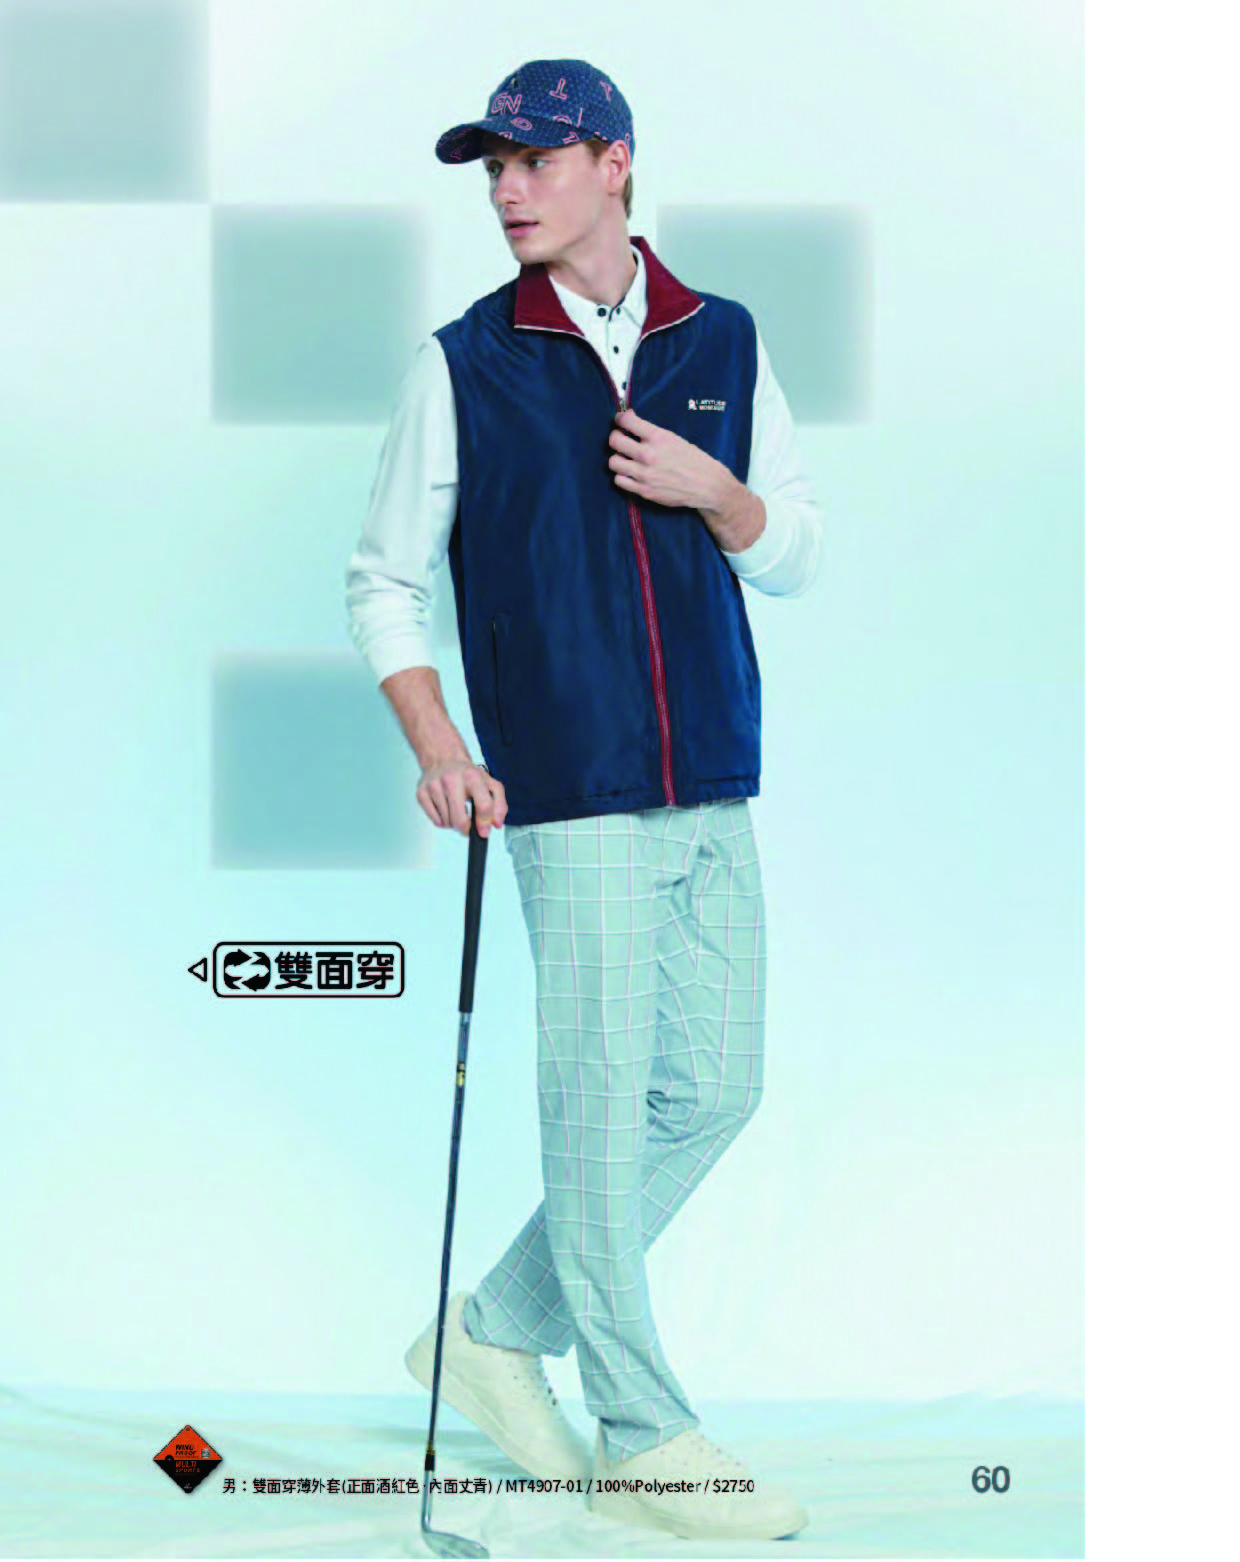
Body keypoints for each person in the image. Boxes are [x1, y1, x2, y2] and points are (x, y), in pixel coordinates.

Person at [344, 57, 823, 1543]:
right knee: (603, 1100)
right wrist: (439, 742)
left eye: (536, 161)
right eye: (493, 168)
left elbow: (795, 548)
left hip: (713, 773)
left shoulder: (721, 338)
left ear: (615, 163)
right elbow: (382, 581)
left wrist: (715, 491)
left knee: (714, 1086)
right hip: (565, 783)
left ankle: (494, 1331)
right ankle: (642, 1426)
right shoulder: (463, 364)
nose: (507, 191)